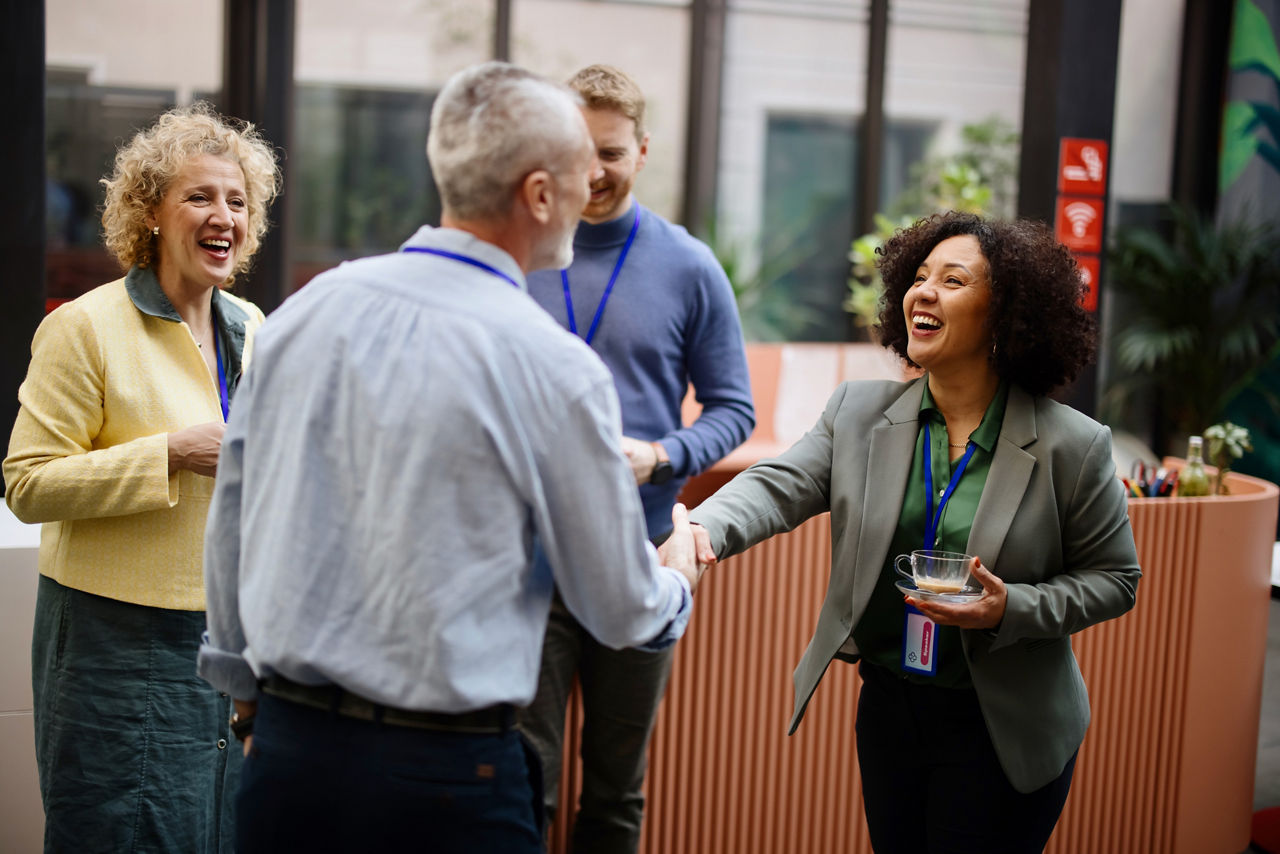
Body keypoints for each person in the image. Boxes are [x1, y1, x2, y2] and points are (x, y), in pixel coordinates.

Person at [196, 62, 706, 854]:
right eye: (578, 176)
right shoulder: (556, 367)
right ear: (540, 194)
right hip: (447, 782)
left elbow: (231, 518)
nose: (589, 193)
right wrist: (676, 576)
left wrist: (249, 707)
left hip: (289, 762)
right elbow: (618, 607)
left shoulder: (306, 312)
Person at [674, 211, 1142, 853]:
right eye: (918, 277)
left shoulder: (1074, 445)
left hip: (1001, 725)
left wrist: (1011, 608)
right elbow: (777, 485)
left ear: (1005, 312)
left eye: (953, 280)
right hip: (891, 710)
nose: (923, 292)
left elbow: (1116, 580)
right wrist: (701, 529)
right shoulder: (857, 412)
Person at [4, 103, 280, 853]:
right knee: (118, 833)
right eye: (200, 196)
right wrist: (169, 453)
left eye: (237, 200)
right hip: (111, 643)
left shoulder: (254, 328)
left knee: (217, 832)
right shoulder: (84, 327)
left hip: (224, 640)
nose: (223, 214)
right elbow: (28, 483)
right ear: (149, 212)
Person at [519, 64, 755, 853]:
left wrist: (661, 455)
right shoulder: (515, 250)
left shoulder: (689, 266)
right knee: (526, 775)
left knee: (616, 790)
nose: (593, 169)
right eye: (578, 148)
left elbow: (734, 411)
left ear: (643, 151)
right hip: (529, 560)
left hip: (643, 553)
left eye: (611, 152)